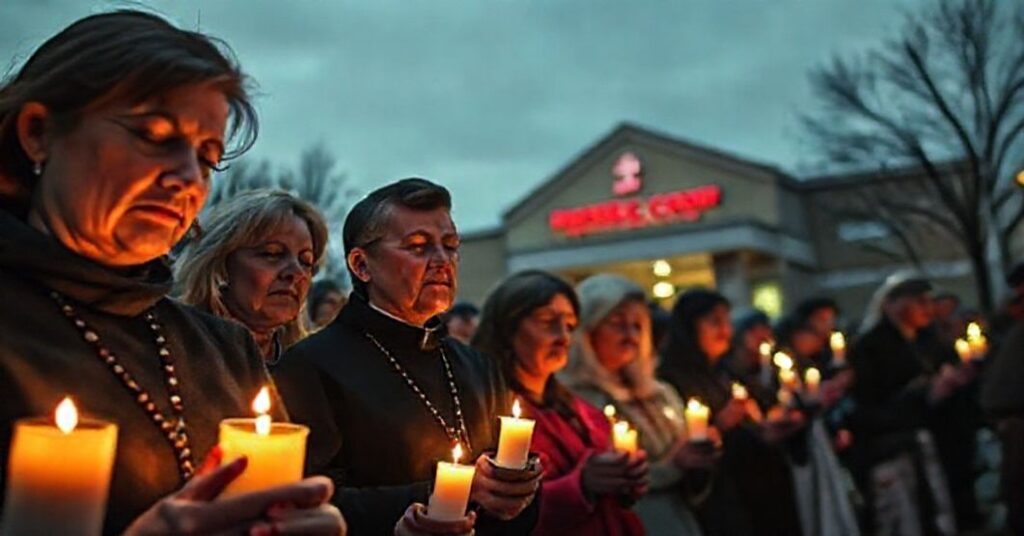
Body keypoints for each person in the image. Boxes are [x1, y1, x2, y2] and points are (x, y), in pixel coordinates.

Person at [0, 10, 344, 534]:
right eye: (155, 137)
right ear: (38, 132)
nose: (187, 177)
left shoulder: (223, 349)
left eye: (207, 158)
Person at [273, 178, 541, 535]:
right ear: (361, 265)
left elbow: (516, 512)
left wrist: (518, 491)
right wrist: (441, 495)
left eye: (450, 246)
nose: (442, 261)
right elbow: (306, 504)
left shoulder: (478, 367)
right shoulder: (307, 367)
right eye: (418, 246)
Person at [473, 270, 649, 536]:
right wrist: (582, 486)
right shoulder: (486, 414)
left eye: (569, 325)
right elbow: (499, 514)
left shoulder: (581, 410)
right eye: (548, 321)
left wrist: (625, 478)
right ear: (507, 329)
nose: (563, 337)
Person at [561, 274, 712, 535]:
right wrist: (673, 466)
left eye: (637, 325)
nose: (630, 334)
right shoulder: (574, 400)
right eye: (617, 323)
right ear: (588, 331)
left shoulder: (660, 393)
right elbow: (597, 481)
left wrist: (700, 457)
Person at [657, 289, 804, 536]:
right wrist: (721, 425)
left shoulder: (724, 372)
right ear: (689, 327)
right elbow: (687, 443)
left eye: (726, 321)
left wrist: (769, 426)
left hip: (757, 491)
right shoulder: (672, 380)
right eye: (714, 322)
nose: (725, 330)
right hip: (722, 500)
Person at [848, 271, 971, 536]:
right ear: (892, 304)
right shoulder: (870, 346)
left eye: (929, 301)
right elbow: (869, 403)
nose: (928, 309)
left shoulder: (928, 340)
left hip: (934, 437)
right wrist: (924, 393)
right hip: (895, 444)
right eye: (919, 302)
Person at [174, 189, 328, 364]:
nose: (297, 273)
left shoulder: (312, 367)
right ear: (221, 265)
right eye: (272, 254)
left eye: (306, 262)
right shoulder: (173, 351)